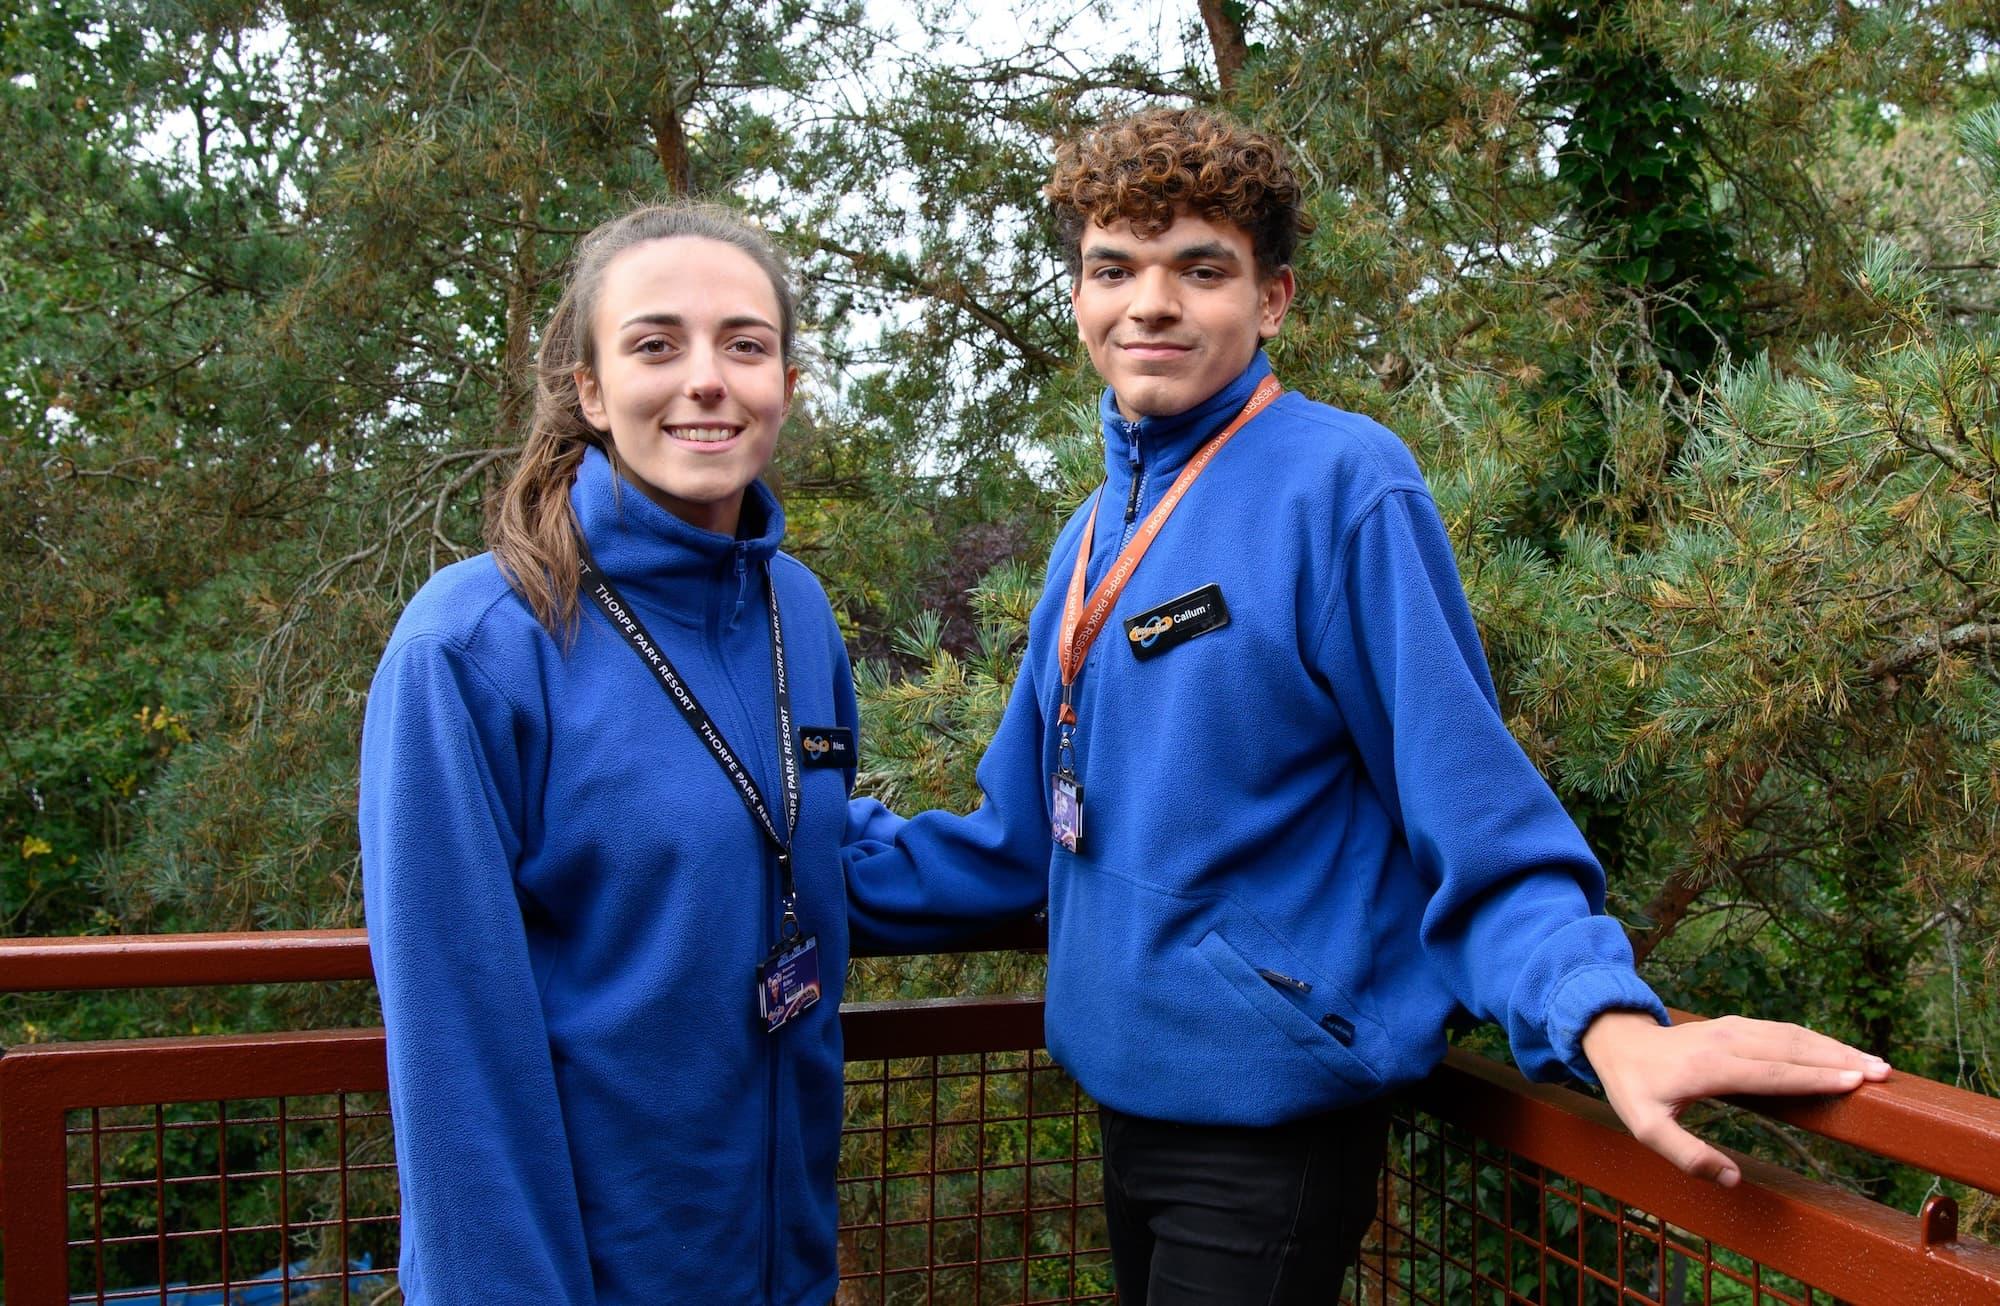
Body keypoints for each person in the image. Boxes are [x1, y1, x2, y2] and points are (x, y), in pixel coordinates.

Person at [843, 108, 1893, 1305]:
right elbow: (1017, 843)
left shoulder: (1344, 486)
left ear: (1272, 298)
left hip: (1268, 1130)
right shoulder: (1089, 538)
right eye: (1112, 268)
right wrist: (772, 869)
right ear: (1078, 295)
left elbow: (1469, 803)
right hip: (1125, 1105)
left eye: (1200, 268)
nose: (1150, 303)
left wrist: (1601, 1019)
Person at [360, 202, 874, 1304]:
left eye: (744, 343)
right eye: (654, 344)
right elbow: (455, 1050)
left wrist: (1053, 859)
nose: (706, 378)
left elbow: (802, 842)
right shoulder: (474, 645)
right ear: (589, 391)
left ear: (784, 379)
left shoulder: (796, 608)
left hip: (784, 1261)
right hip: (589, 1273)